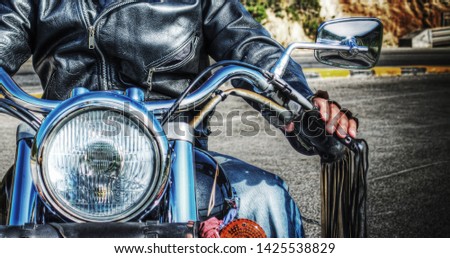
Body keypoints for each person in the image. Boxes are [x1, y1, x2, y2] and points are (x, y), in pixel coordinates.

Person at [0, 0, 357, 237]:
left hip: (175, 154)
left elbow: (247, 44)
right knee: (12, 196)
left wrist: (301, 105)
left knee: (264, 199)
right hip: (62, 158)